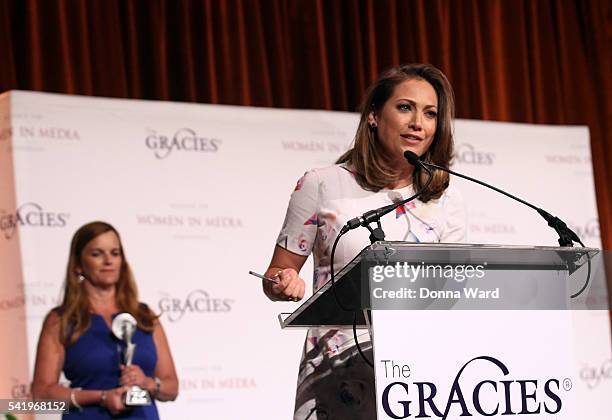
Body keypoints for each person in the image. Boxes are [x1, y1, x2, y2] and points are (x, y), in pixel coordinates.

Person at [262, 64, 466, 419]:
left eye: (430, 113)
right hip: (338, 376)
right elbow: (276, 273)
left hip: (421, 379)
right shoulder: (322, 184)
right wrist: (283, 281)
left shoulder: (444, 198)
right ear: (373, 115)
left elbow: (455, 290)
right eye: (405, 107)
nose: (418, 122)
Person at [32, 221, 179, 419]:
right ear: (78, 265)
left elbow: (172, 388)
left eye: (115, 253)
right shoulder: (61, 320)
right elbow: (40, 398)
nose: (108, 261)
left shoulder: (144, 316)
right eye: (96, 254)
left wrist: (148, 383)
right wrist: (100, 397)